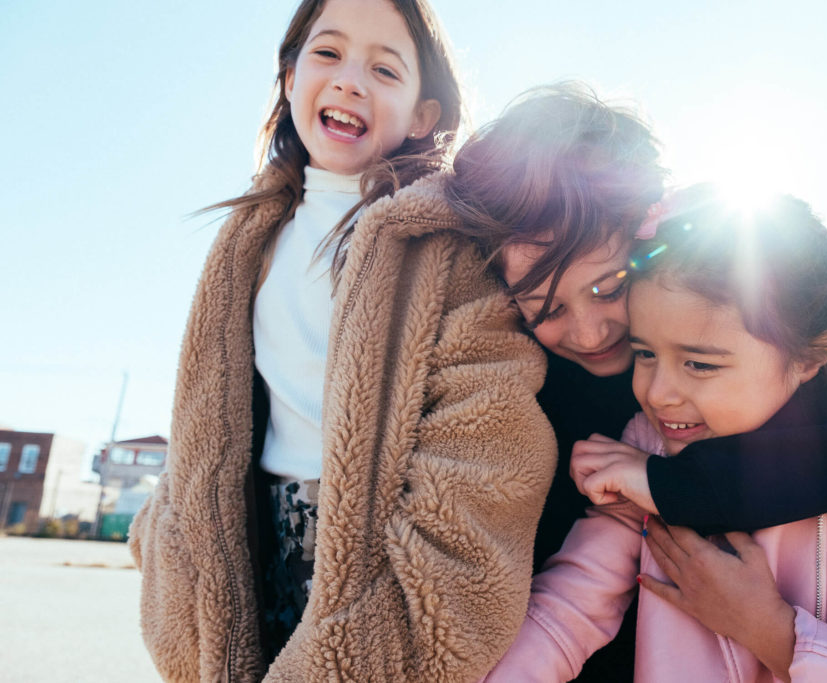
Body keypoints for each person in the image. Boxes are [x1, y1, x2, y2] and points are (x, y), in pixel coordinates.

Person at [445, 84, 827, 682]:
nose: (587, 334)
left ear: (650, 244)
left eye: (609, 289)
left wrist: (765, 622)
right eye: (546, 310)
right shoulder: (613, 425)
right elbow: (567, 612)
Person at [127, 1, 557, 680]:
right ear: (291, 77)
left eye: (385, 68)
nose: (350, 79)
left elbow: (486, 437)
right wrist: (169, 547)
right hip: (250, 550)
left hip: (369, 564)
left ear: (424, 115)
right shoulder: (247, 240)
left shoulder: (442, 248)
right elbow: (204, 427)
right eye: (327, 54)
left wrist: (411, 603)